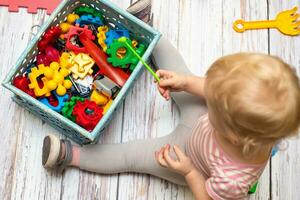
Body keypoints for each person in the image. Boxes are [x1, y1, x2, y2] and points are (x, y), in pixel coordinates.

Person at [41, 1, 300, 199]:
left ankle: (70, 155)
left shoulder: (232, 180)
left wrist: (189, 171)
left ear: (233, 133)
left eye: (216, 101)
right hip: (203, 124)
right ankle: (147, 33)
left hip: (188, 155)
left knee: (132, 156)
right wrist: (186, 83)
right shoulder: (252, 118)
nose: (210, 92)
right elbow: (211, 91)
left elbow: (206, 196)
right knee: (179, 72)